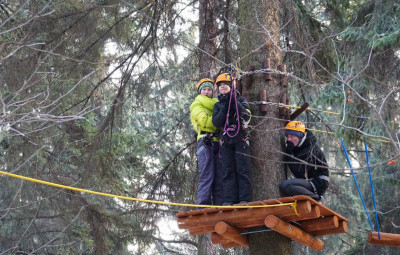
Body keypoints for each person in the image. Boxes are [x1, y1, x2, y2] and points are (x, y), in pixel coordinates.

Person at [212, 73, 252, 205]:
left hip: (240, 136)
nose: (222, 87)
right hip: (226, 139)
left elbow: (246, 116)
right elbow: (217, 122)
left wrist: (233, 101)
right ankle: (229, 200)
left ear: (231, 86)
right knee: (227, 170)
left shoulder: (240, 100)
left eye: (225, 85)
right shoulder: (218, 105)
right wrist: (225, 106)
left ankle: (244, 199)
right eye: (220, 85)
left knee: (242, 168)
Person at [190, 78, 223, 206]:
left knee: (219, 176)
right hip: (205, 141)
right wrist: (219, 119)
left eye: (209, 89)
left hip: (217, 141)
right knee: (207, 174)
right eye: (204, 89)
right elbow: (204, 122)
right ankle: (204, 205)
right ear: (199, 91)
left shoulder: (217, 104)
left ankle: (219, 205)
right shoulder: (196, 105)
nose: (206, 91)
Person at [279, 121, 329, 201]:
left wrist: (289, 153)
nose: (289, 139)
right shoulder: (300, 146)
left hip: (318, 183)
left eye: (292, 136)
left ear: (300, 136)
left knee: (285, 185)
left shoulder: (310, 150)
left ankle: (316, 198)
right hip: (309, 180)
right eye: (287, 136)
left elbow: (299, 173)